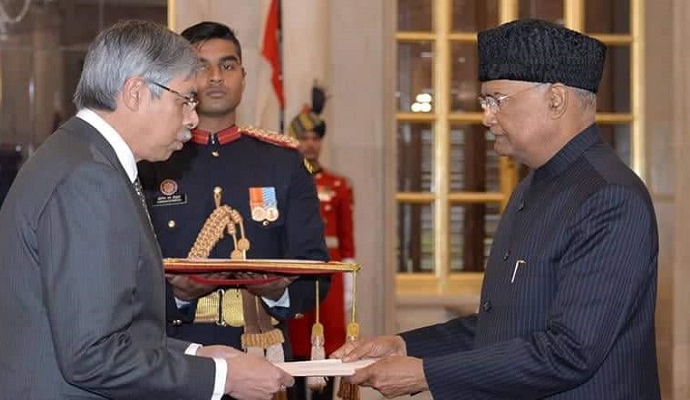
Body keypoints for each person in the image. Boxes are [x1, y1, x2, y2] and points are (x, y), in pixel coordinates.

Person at [332, 18, 660, 399]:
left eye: (496, 100)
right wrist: (405, 346)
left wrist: (426, 375)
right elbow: (504, 326)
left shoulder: (609, 198)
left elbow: (570, 352)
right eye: (484, 102)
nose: (486, 117)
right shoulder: (531, 188)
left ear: (556, 99)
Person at [0, 20, 292, 400]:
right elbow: (92, 355)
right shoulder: (89, 178)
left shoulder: (81, 157)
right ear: (136, 93)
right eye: (184, 100)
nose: (193, 118)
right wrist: (222, 378)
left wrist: (199, 356)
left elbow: (111, 329)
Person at [138, 20, 329, 388]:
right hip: (175, 358)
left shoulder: (283, 162)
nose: (215, 77)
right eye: (201, 66)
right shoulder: (152, 162)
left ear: (243, 76)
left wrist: (278, 291)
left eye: (227, 65)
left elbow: (316, 272)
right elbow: (123, 277)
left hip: (262, 355)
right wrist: (176, 297)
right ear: (181, 78)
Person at [287, 86, 356, 399]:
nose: (310, 144)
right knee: (297, 346)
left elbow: (347, 238)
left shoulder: (338, 185)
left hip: (330, 275)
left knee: (327, 348)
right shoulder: (286, 184)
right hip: (297, 272)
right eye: (304, 138)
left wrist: (348, 284)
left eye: (315, 138)